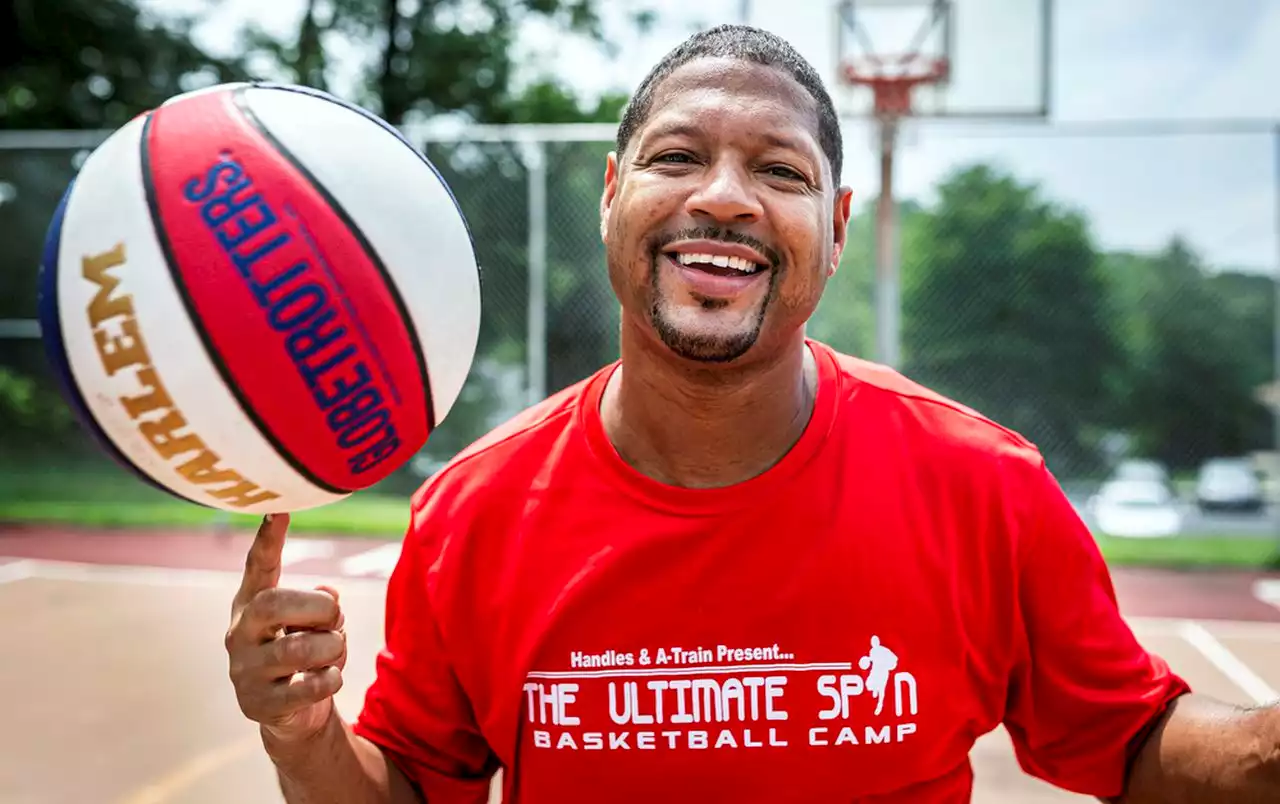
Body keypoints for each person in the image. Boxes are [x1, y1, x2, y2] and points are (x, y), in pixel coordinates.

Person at [223, 23, 1279, 804]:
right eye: (677, 157)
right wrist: (305, 736)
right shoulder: (474, 511)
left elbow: (1132, 745)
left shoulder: (980, 483)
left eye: (778, 170)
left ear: (834, 225)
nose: (724, 196)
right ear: (610, 195)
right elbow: (411, 789)